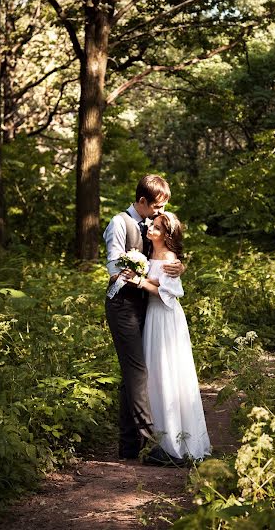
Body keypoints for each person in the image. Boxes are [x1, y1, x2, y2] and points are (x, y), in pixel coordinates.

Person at [103, 175, 184, 464]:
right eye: (158, 207)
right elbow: (113, 268)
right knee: (138, 374)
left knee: (131, 376)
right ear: (142, 202)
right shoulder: (119, 223)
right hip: (123, 305)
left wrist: (178, 264)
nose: (161, 212)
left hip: (147, 305)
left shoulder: (152, 226)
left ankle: (128, 448)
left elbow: (164, 252)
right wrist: (131, 274)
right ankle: (154, 447)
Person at [123, 212, 211, 461]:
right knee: (153, 374)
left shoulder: (169, 258)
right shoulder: (148, 253)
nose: (152, 228)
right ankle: (158, 439)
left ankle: (175, 443)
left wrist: (139, 281)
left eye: (159, 228)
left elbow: (168, 293)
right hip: (152, 317)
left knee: (167, 371)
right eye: (153, 225)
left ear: (168, 236)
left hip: (166, 318)